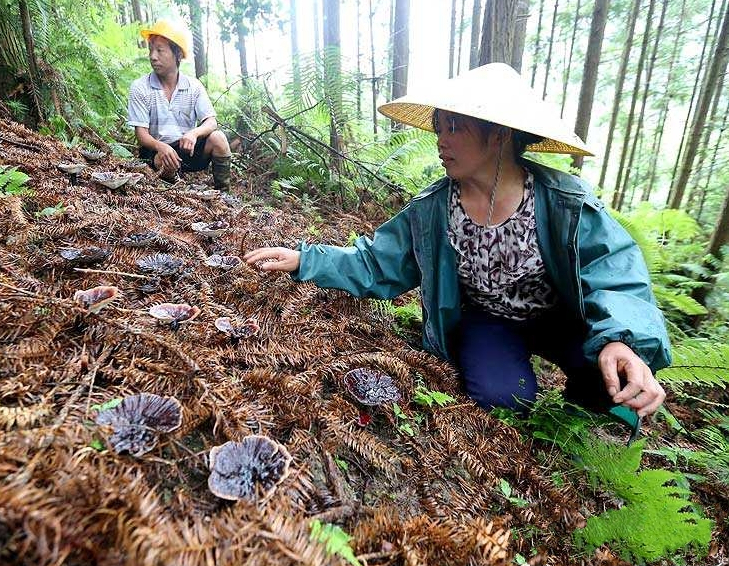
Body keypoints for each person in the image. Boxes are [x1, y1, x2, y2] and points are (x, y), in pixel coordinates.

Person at [244, 63, 670, 425]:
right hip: (490, 321)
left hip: (562, 315)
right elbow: (377, 261)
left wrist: (620, 339)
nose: (440, 139)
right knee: (505, 398)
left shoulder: (564, 203)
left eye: (454, 126)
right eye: (438, 126)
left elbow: (616, 274)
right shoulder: (434, 209)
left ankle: (587, 421)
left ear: (499, 134)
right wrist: (304, 259)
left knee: (610, 383)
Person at [127, 19, 232, 189]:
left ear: (178, 54)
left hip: (186, 149)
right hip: (155, 151)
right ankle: (170, 188)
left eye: (160, 50)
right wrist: (160, 146)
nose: (153, 56)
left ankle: (224, 193)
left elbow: (211, 122)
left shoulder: (194, 86)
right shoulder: (140, 87)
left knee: (218, 138)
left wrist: (194, 133)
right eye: (151, 50)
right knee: (164, 159)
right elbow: (141, 134)